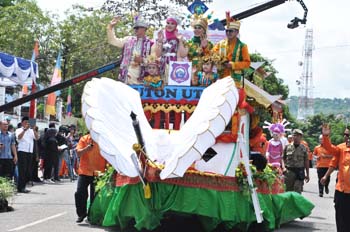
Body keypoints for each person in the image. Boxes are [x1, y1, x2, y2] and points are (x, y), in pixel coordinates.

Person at [153, 15, 188, 130]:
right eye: (168, 23)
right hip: (162, 66)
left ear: (176, 25)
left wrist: (181, 41)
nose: (169, 25)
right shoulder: (161, 36)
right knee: (162, 92)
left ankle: (175, 124)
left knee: (174, 94)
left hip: (174, 67)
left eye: (172, 23)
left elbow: (183, 55)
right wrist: (159, 41)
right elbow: (157, 55)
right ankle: (161, 122)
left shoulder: (179, 37)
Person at [107, 15, 153, 84]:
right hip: (125, 78)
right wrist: (110, 27)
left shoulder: (151, 43)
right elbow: (113, 41)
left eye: (137, 28)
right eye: (135, 28)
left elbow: (155, 62)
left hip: (141, 81)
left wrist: (143, 60)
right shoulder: (128, 40)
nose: (135, 29)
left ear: (144, 29)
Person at [321, 125, 350, 232]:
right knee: (341, 219)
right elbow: (329, 148)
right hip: (341, 191)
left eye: (348, 135)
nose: (346, 137)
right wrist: (325, 135)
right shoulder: (341, 148)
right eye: (345, 135)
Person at [211, 11, 251, 88]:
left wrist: (233, 64)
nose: (228, 33)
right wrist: (218, 60)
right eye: (227, 31)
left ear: (237, 32)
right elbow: (212, 54)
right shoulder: (220, 44)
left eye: (231, 31)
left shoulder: (242, 46)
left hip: (235, 80)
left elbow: (247, 63)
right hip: (221, 78)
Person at [75, 133, 107, 223]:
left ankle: (91, 215)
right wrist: (87, 149)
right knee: (79, 192)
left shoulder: (103, 140)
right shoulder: (84, 139)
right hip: (84, 171)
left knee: (95, 196)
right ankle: (81, 213)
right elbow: (78, 153)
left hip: (99, 172)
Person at [15, 116, 39, 193]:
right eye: (25, 122)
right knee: (22, 170)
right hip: (22, 151)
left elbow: (37, 138)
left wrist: (34, 129)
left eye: (28, 122)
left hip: (30, 152)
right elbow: (19, 137)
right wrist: (24, 130)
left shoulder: (31, 131)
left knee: (28, 171)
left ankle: (23, 186)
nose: (27, 124)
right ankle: (20, 187)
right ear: (22, 123)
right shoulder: (19, 130)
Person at [283, 129, 310, 194]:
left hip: (299, 172)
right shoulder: (287, 147)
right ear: (292, 136)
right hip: (289, 172)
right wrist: (283, 167)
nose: (296, 137)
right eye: (295, 135)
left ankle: (296, 204)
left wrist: (307, 174)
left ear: (301, 137)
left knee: (297, 190)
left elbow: (306, 161)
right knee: (288, 191)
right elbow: (283, 158)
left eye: (298, 136)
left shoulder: (304, 148)